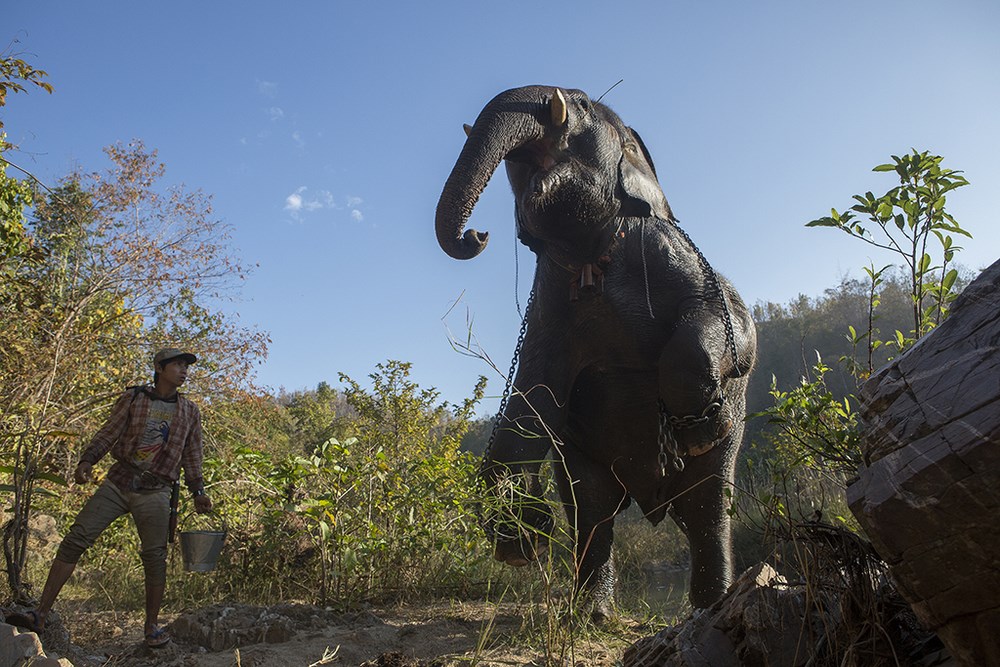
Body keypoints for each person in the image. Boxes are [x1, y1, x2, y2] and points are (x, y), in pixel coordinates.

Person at [12, 348, 212, 648]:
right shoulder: (134, 398)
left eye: (186, 366)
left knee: (155, 558)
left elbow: (192, 454)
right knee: (76, 539)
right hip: (118, 482)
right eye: (177, 365)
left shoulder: (189, 411)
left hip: (158, 490)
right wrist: (87, 461)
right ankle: (39, 613)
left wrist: (198, 491)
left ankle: (151, 627)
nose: (184, 371)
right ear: (159, 368)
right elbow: (109, 432)